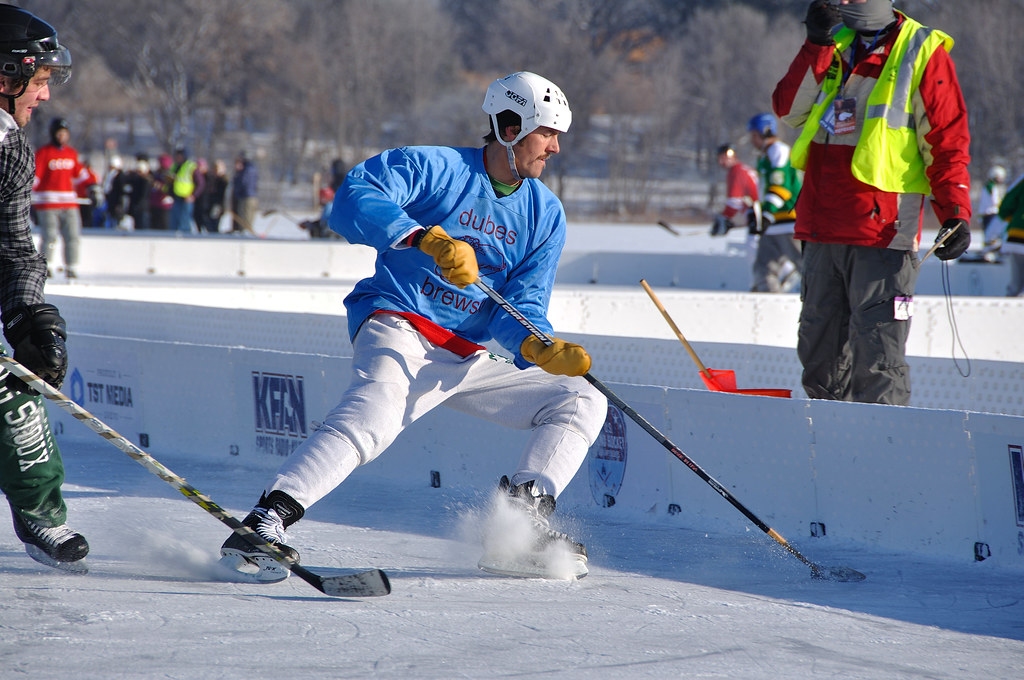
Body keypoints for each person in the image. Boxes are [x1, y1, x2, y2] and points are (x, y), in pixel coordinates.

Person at [220, 71, 607, 581]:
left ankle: (521, 528)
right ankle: (265, 522)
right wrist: (422, 238)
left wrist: (538, 347)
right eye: (547, 133)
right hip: (399, 321)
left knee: (580, 397)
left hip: (462, 353)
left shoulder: (546, 215)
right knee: (376, 411)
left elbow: (520, 309)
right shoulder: (435, 167)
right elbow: (355, 196)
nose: (555, 148)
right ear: (510, 128)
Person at [772, 0, 971, 406]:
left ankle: (884, 452)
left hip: (883, 232)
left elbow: (946, 141)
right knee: (819, 360)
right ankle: (826, 452)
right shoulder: (833, 42)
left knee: (879, 361)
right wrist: (814, 43)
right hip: (822, 226)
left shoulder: (919, 48)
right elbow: (788, 111)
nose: (841, 3)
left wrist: (955, 211)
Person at [0, 3, 88, 571]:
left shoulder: (9, 147)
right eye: (38, 81)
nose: (45, 96)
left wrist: (31, 317)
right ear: (4, 78)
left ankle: (41, 514)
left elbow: (12, 247)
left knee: (14, 392)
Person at [747, 113, 804, 292]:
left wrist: (766, 215)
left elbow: (781, 187)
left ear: (765, 132)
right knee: (763, 270)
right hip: (772, 225)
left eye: (754, 135)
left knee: (807, 269)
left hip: (789, 222)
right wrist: (756, 214)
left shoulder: (778, 150)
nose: (752, 140)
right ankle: (768, 309)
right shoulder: (763, 156)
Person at [32, 117, 89, 278]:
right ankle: (46, 264)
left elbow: (81, 175)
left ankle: (71, 266)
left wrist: (92, 185)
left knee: (72, 235)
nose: (61, 137)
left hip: (69, 203)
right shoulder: (44, 153)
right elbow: (36, 176)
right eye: (59, 133)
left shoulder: (71, 153)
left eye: (64, 133)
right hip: (48, 203)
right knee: (49, 236)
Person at [709, 143, 758, 237]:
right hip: (756, 216)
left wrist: (723, 219)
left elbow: (734, 203)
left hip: (758, 216)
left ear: (733, 156)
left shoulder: (737, 172)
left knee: (753, 247)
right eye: (719, 159)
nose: (721, 162)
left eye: (724, 158)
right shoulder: (739, 170)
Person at [997, 172, 1024, 297]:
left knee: (1016, 286)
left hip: (1018, 235)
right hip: (1019, 236)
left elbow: (1004, 208)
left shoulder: (1021, 180)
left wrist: (1015, 219)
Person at [975, 164, 1007, 261]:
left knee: (988, 234)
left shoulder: (987, 186)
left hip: (986, 214)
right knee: (992, 235)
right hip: (991, 213)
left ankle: (988, 251)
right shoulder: (992, 186)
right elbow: (995, 201)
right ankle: (989, 252)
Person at [168, 147, 203, 233]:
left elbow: (201, 183)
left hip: (186, 199)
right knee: (174, 222)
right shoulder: (175, 166)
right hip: (176, 198)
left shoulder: (191, 167)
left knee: (184, 222)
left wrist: (193, 195)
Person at [196, 158, 228, 233]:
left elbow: (223, 195)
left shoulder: (223, 181)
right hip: (210, 204)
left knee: (214, 225)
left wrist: (220, 206)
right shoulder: (212, 179)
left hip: (218, 205)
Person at [230, 152, 258, 234]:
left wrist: (237, 192)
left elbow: (243, 182)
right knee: (247, 218)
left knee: (245, 219)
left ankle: (245, 235)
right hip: (251, 195)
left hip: (246, 196)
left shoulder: (247, 169)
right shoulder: (252, 168)